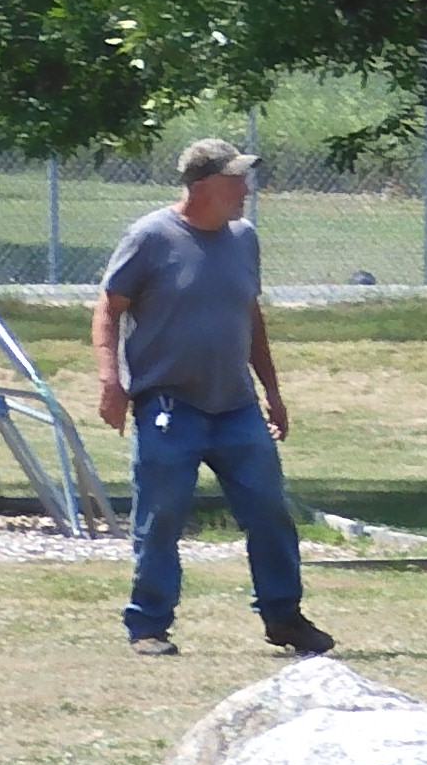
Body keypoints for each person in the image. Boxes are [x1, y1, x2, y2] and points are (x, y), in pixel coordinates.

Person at [94, 138, 326, 660]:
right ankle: (149, 624)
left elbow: (251, 316)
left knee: (270, 511)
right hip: (169, 405)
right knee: (161, 517)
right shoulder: (151, 237)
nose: (245, 190)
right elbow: (108, 308)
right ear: (202, 187)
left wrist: (272, 391)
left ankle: (284, 617)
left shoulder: (244, 239)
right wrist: (111, 380)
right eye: (235, 180)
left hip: (237, 406)